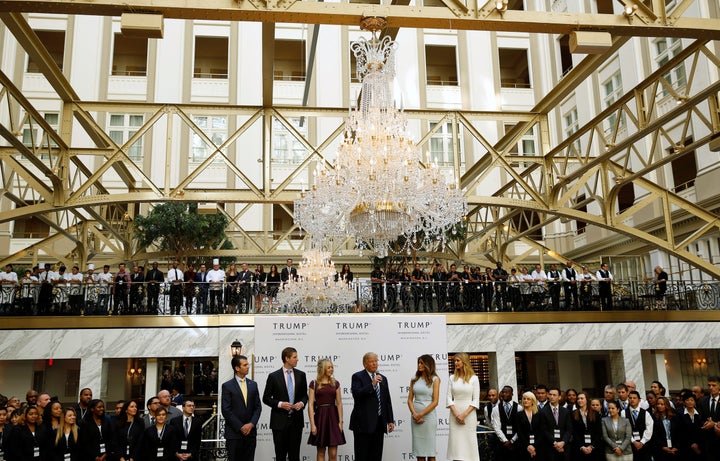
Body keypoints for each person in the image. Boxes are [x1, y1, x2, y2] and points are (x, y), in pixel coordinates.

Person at [262, 346, 308, 461]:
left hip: (296, 422)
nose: (297, 359)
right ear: (287, 358)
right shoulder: (273, 376)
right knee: (280, 456)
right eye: (295, 357)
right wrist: (280, 404)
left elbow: (305, 396)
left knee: (294, 456)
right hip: (279, 422)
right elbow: (266, 398)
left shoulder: (301, 375)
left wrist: (301, 404)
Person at [349, 352, 395, 461]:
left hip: (379, 423)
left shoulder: (383, 378)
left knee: (376, 455)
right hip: (363, 424)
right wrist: (372, 385)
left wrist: (390, 420)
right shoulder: (357, 376)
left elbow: (387, 401)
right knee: (362, 456)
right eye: (371, 361)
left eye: (376, 361)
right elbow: (357, 394)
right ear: (365, 364)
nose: (375, 363)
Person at [221, 355, 262, 461]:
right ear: (237, 368)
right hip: (234, 434)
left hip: (250, 433)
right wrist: (241, 427)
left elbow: (258, 407)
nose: (248, 366)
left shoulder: (253, 384)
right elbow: (226, 410)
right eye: (245, 365)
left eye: (248, 364)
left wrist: (251, 424)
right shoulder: (227, 386)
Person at [307, 358, 346, 461]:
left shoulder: (335, 383)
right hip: (320, 418)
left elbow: (339, 403)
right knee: (321, 452)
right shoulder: (314, 383)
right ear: (322, 369)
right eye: (329, 367)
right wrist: (312, 424)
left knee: (333, 453)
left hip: (333, 418)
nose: (331, 369)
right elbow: (310, 404)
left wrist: (340, 422)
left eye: (332, 367)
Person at [446, 352, 479, 461]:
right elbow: (448, 398)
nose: (455, 363)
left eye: (458, 360)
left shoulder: (474, 378)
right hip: (455, 414)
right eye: (454, 361)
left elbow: (475, 399)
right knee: (456, 446)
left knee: (469, 443)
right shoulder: (451, 378)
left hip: (469, 415)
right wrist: (457, 415)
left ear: (464, 362)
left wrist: (464, 415)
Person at [407, 354, 440, 461]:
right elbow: (409, 400)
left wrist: (420, 414)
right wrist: (414, 414)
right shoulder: (414, 379)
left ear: (428, 364)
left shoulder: (435, 379)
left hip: (429, 418)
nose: (419, 365)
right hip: (415, 418)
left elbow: (435, 402)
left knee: (430, 452)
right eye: (418, 363)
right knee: (419, 451)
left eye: (422, 363)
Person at [621, 390, 653, 461]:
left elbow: (649, 429)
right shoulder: (623, 413)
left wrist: (642, 442)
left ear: (639, 400)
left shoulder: (646, 413)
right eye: (630, 398)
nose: (632, 399)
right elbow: (624, 429)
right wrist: (633, 441)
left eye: (634, 398)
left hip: (644, 445)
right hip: (630, 445)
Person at [571, 391, 603, 461]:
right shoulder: (573, 414)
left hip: (594, 448)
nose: (579, 400)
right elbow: (574, 432)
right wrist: (582, 446)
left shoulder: (595, 414)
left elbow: (599, 432)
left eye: (582, 398)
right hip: (580, 448)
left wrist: (591, 446)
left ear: (587, 400)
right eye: (578, 399)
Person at [514, 391, 543, 461]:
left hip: (538, 446)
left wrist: (534, 446)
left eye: (528, 399)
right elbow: (519, 432)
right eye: (524, 399)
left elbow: (542, 431)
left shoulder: (539, 413)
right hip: (523, 445)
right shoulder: (518, 414)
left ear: (533, 401)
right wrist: (528, 446)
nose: (525, 400)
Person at [675, 391, 703, 460]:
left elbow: (701, 430)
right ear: (684, 402)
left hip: (700, 445)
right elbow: (679, 431)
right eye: (687, 400)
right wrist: (691, 444)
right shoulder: (679, 413)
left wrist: (698, 444)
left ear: (695, 402)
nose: (690, 402)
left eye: (692, 400)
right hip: (685, 445)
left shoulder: (700, 412)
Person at [698, 375, 720, 460]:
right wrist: (706, 423)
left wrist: (714, 424)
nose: (711, 388)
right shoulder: (702, 401)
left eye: (713, 385)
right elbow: (699, 419)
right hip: (707, 441)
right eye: (709, 385)